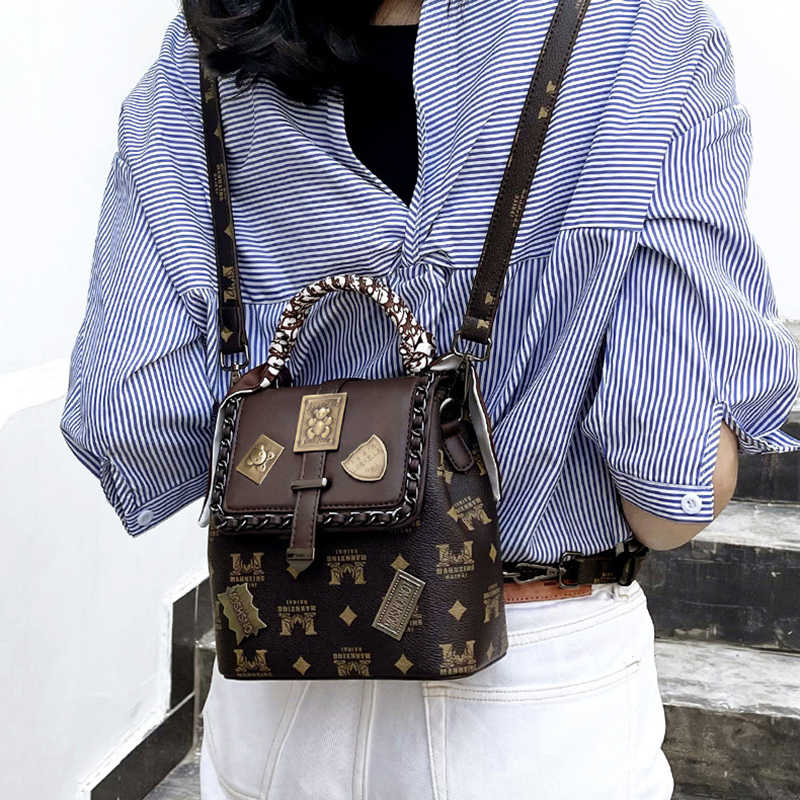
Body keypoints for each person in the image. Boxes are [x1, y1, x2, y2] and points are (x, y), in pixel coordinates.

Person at [60, 0, 800, 797]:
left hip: (281, 680)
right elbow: (668, 488)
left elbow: (128, 416)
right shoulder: (643, 34)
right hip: (536, 702)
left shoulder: (212, 43)